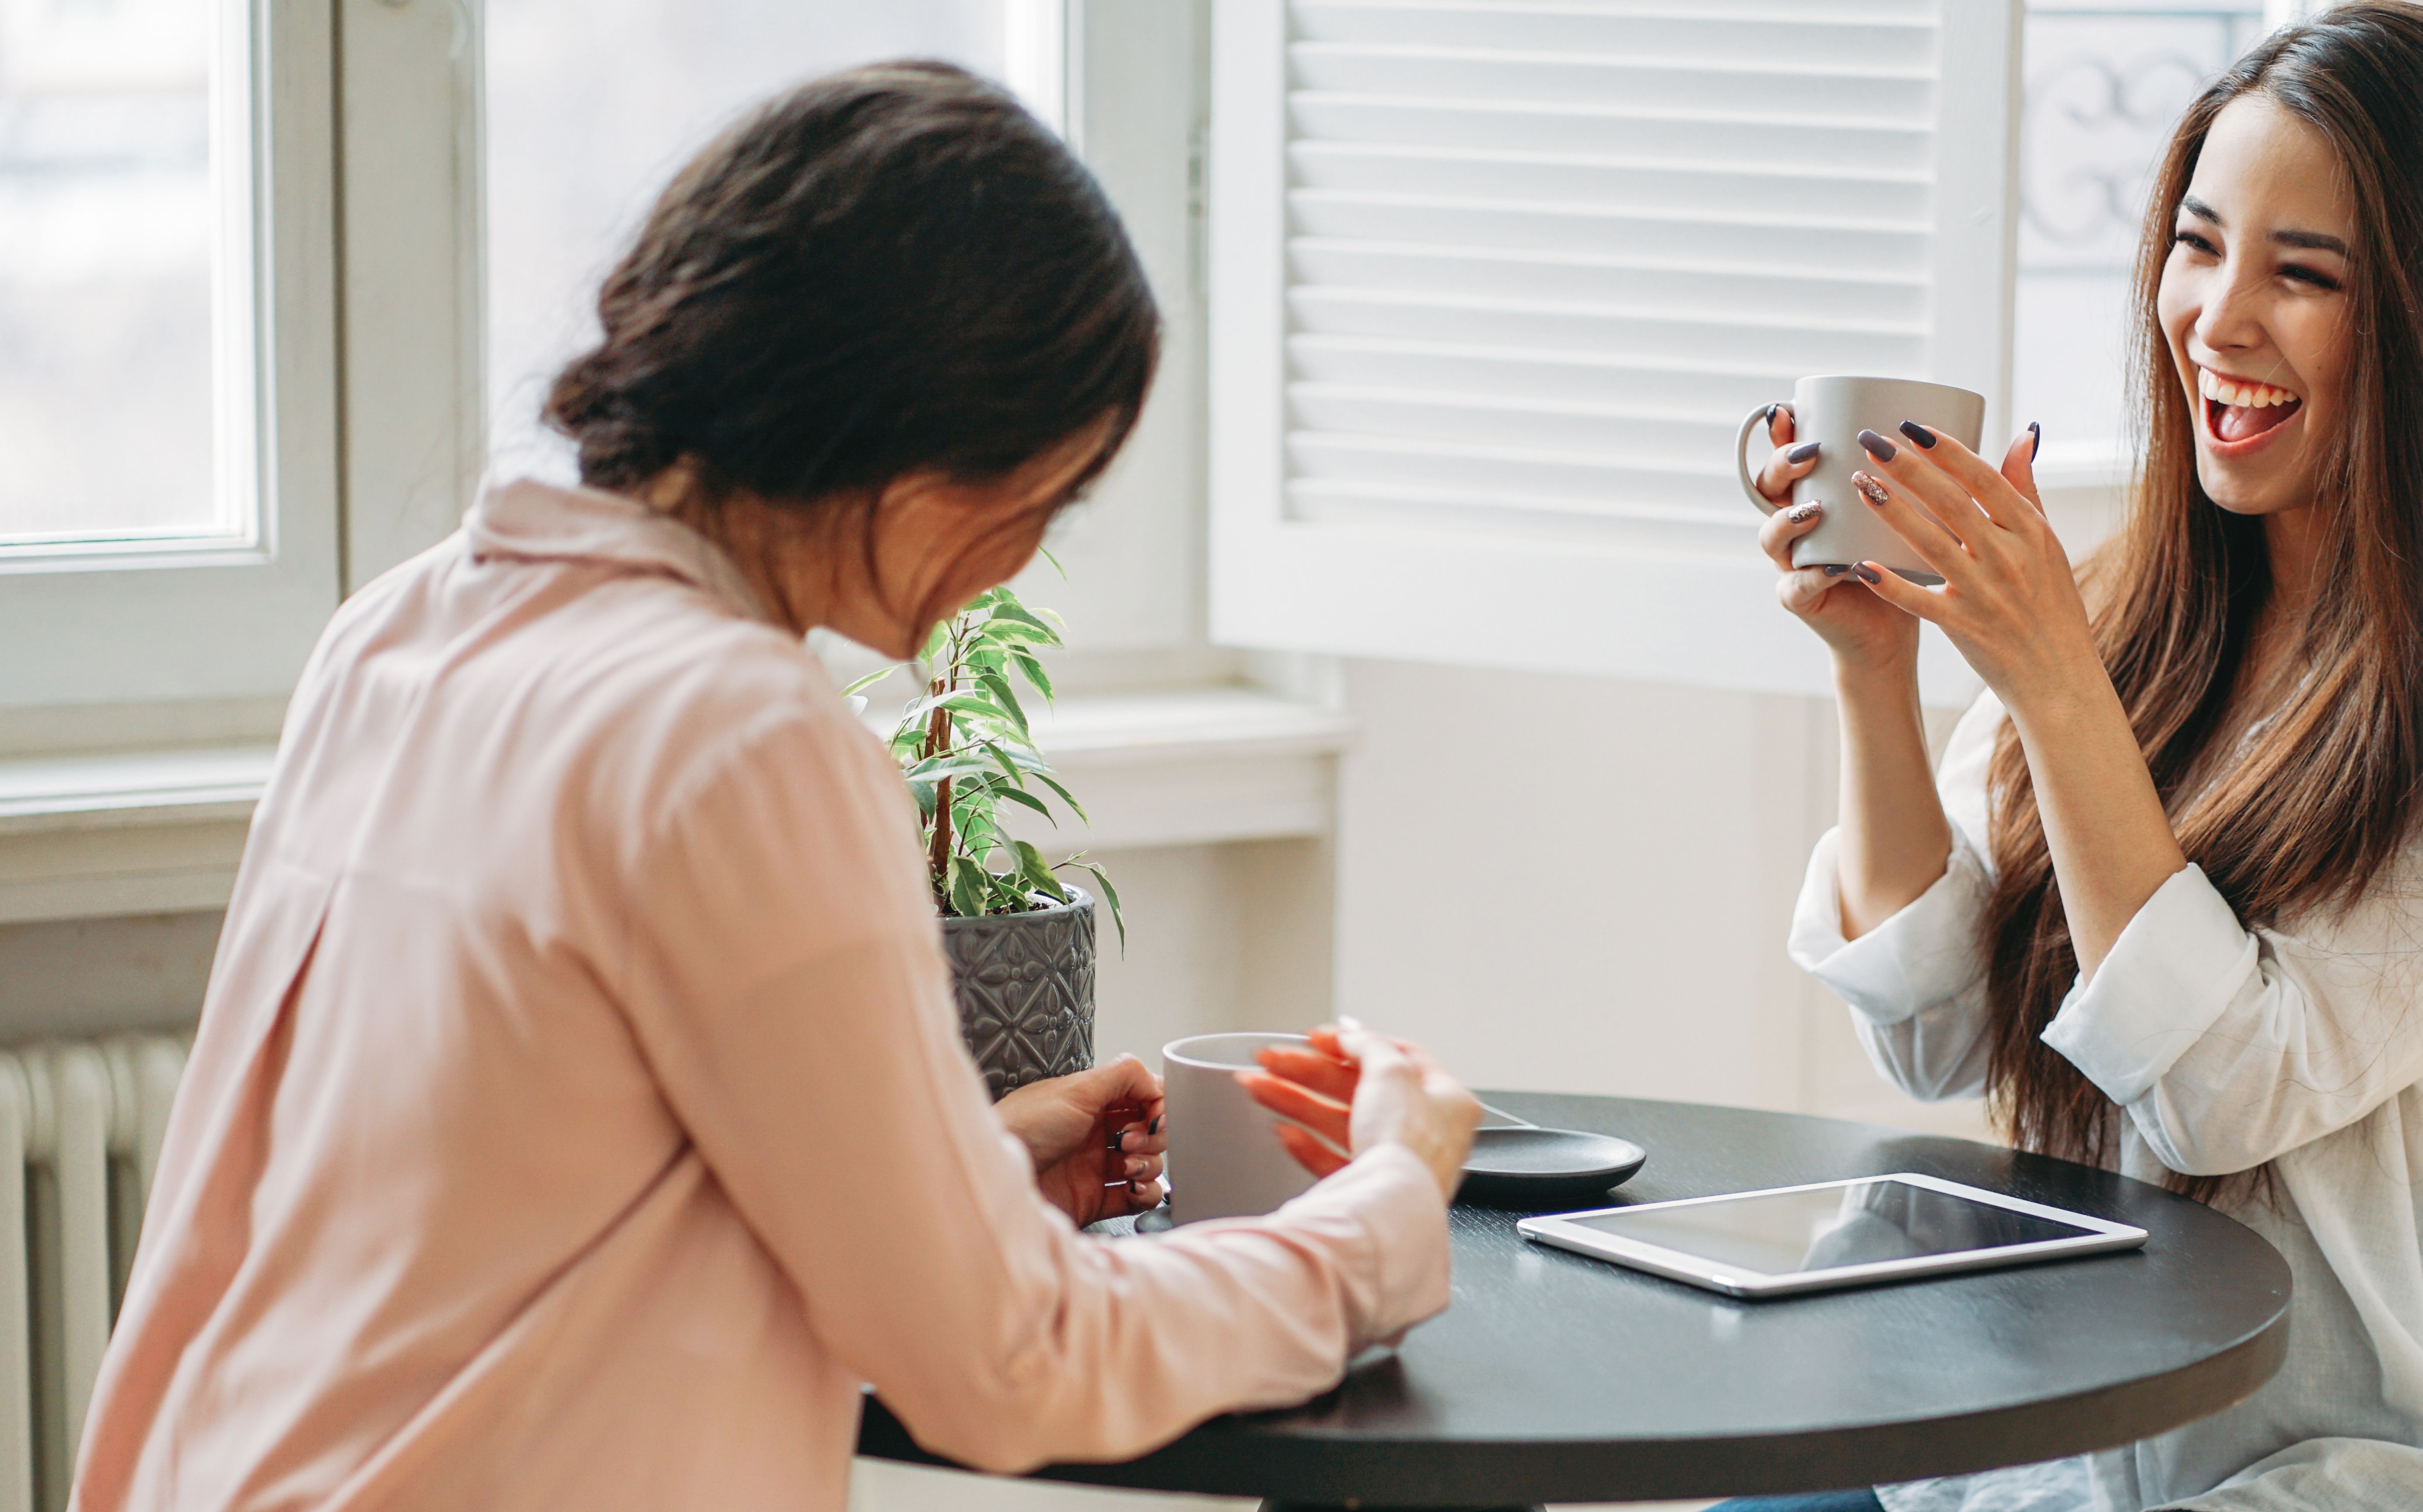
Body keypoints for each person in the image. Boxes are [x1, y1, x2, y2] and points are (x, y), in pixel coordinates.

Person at [70, 62, 1483, 1512]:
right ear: (926, 433)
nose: (1026, 555)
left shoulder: (399, 632)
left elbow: (499, 1219)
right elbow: (1014, 1364)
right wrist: (1386, 1204)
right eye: (1044, 499)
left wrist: (970, 1173)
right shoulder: (740, 735)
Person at [1736, 6, 2423, 1509]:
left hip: (2383, 1453)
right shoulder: (2140, 606)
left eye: (2306, 275)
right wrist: (1876, 668)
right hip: (2085, 1422)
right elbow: (1943, 1032)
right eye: (2197, 245)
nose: (2218, 322)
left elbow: (2227, 1092)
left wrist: (2053, 685)